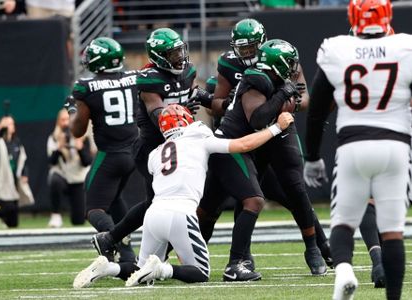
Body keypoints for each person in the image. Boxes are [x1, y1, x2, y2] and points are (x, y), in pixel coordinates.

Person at [73, 104, 295, 288]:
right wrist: (277, 127)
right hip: (180, 214)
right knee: (200, 273)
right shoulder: (199, 136)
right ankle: (162, 269)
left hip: (153, 215)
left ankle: (109, 268)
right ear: (187, 120)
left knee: (141, 272)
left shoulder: (156, 153)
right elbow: (243, 144)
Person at [196, 18, 329, 278]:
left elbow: (304, 100)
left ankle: (317, 247)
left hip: (276, 131)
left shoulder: (280, 57)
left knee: (293, 188)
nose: (245, 55)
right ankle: (238, 258)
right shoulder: (245, 73)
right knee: (245, 196)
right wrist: (260, 98)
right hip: (247, 134)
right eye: (241, 49)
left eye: (250, 49)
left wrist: (285, 100)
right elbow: (230, 106)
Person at [303, 0, 411, 298]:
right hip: (395, 145)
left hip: (354, 145)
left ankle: (345, 271)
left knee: (343, 221)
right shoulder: (404, 47)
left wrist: (311, 157)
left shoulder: (338, 49)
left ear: (353, 17)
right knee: (392, 232)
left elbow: (316, 112)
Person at [90, 28, 200, 261]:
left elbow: (193, 95)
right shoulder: (148, 78)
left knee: (165, 202)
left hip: (178, 146)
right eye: (173, 54)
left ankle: (113, 240)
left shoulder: (188, 71)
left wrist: (202, 101)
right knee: (159, 202)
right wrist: (179, 115)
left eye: (180, 51)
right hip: (152, 148)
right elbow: (156, 112)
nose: (180, 58)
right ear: (159, 57)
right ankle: (119, 242)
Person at [67, 37, 139, 263]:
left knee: (94, 208)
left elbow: (77, 131)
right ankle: (128, 257)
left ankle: (112, 241)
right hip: (134, 152)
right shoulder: (135, 79)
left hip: (111, 154)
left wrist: (71, 110)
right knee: (115, 199)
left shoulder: (86, 87)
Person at [47, 108, 92, 228]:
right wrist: (59, 148)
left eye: (68, 119)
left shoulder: (82, 136)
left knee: (78, 221)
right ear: (58, 122)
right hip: (63, 177)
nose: (66, 123)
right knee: (54, 179)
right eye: (62, 120)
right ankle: (55, 215)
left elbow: (87, 162)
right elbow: (51, 162)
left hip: (78, 179)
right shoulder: (53, 137)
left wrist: (80, 148)